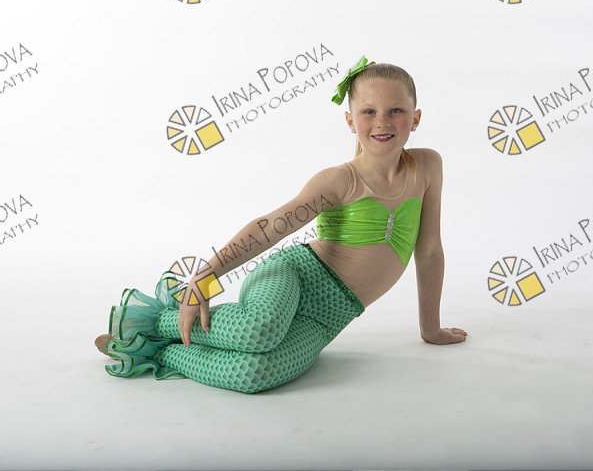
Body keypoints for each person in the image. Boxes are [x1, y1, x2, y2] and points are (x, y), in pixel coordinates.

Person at [94, 56, 467, 394]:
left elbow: (429, 250)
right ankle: (159, 323)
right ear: (350, 121)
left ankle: (156, 352)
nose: (382, 122)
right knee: (259, 330)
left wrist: (430, 329)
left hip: (331, 316)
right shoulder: (340, 181)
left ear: (416, 118)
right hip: (296, 275)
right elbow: (270, 226)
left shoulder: (427, 167)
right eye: (369, 111)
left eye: (395, 110)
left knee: (255, 373)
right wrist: (205, 278)